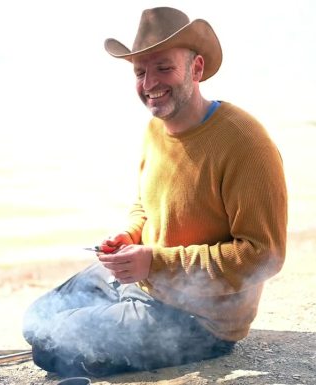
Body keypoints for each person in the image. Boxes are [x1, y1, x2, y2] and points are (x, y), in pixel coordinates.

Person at [22, 7, 288, 378]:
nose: (149, 83)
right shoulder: (155, 130)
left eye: (164, 68)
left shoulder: (244, 143)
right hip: (143, 283)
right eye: (140, 71)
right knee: (36, 322)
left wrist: (156, 262)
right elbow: (146, 206)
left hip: (199, 319)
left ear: (196, 70)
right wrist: (129, 237)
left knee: (51, 348)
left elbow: (265, 256)